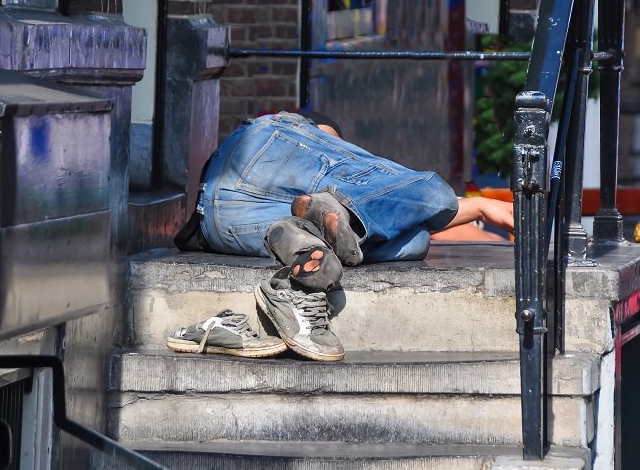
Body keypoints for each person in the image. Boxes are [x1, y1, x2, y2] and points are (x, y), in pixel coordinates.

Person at [169, 110, 514, 361]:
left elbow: (406, 215)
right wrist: (480, 206)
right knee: (432, 195)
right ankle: (329, 219)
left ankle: (310, 234)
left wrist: (481, 208)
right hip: (252, 155)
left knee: (416, 241)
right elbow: (414, 202)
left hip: (219, 224)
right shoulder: (305, 129)